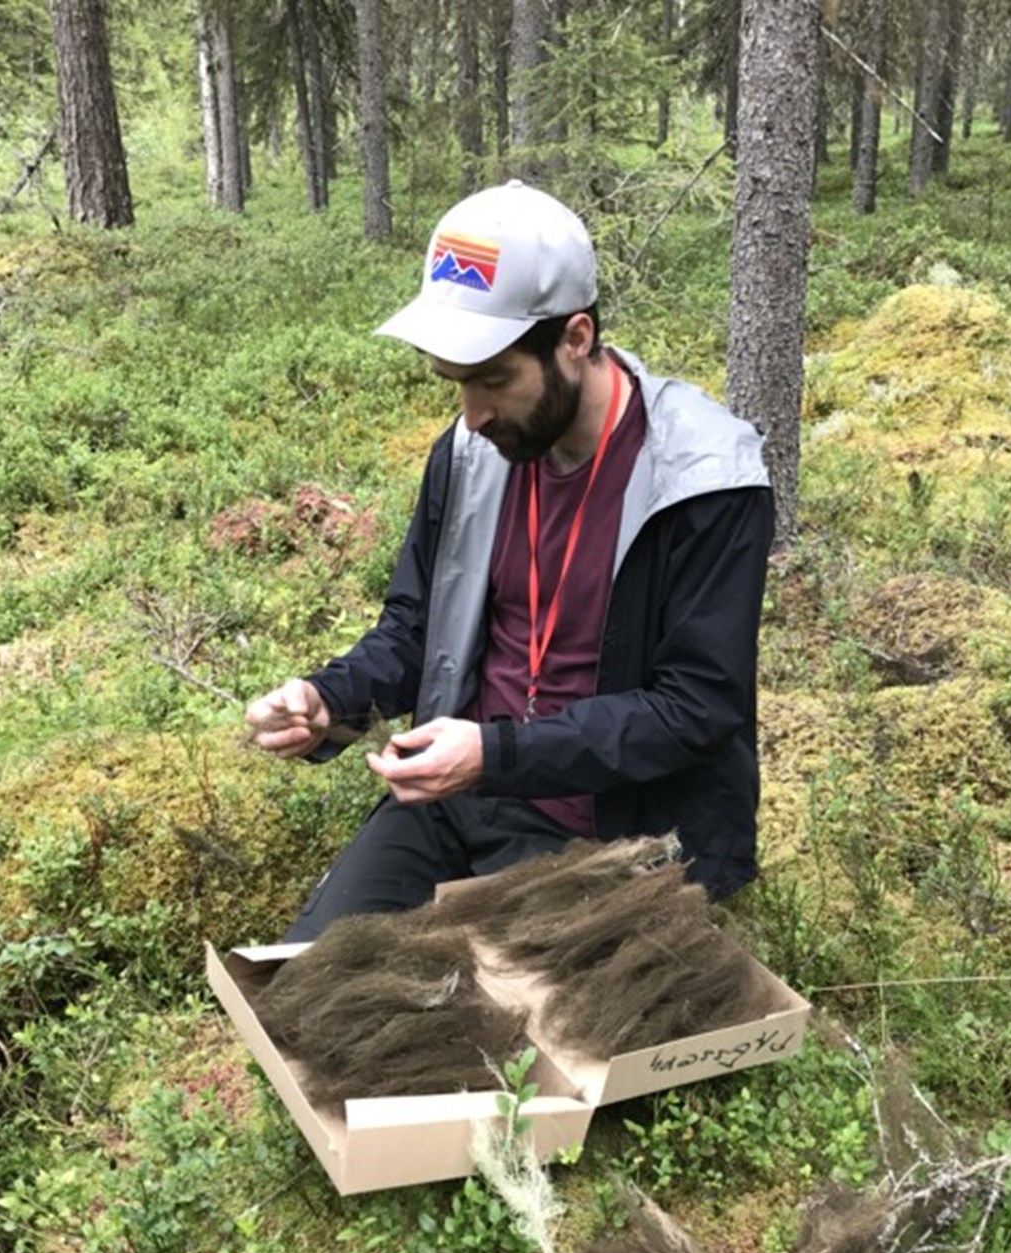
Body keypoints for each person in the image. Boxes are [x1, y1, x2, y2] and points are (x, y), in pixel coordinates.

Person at [245, 180, 773, 941]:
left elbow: (697, 709)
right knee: (304, 986)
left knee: (491, 1045)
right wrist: (330, 701)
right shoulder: (470, 454)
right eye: (456, 383)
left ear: (576, 339)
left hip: (613, 838)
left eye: (494, 380)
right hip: (460, 797)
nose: (474, 414)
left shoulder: (705, 480)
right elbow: (417, 625)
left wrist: (497, 753)